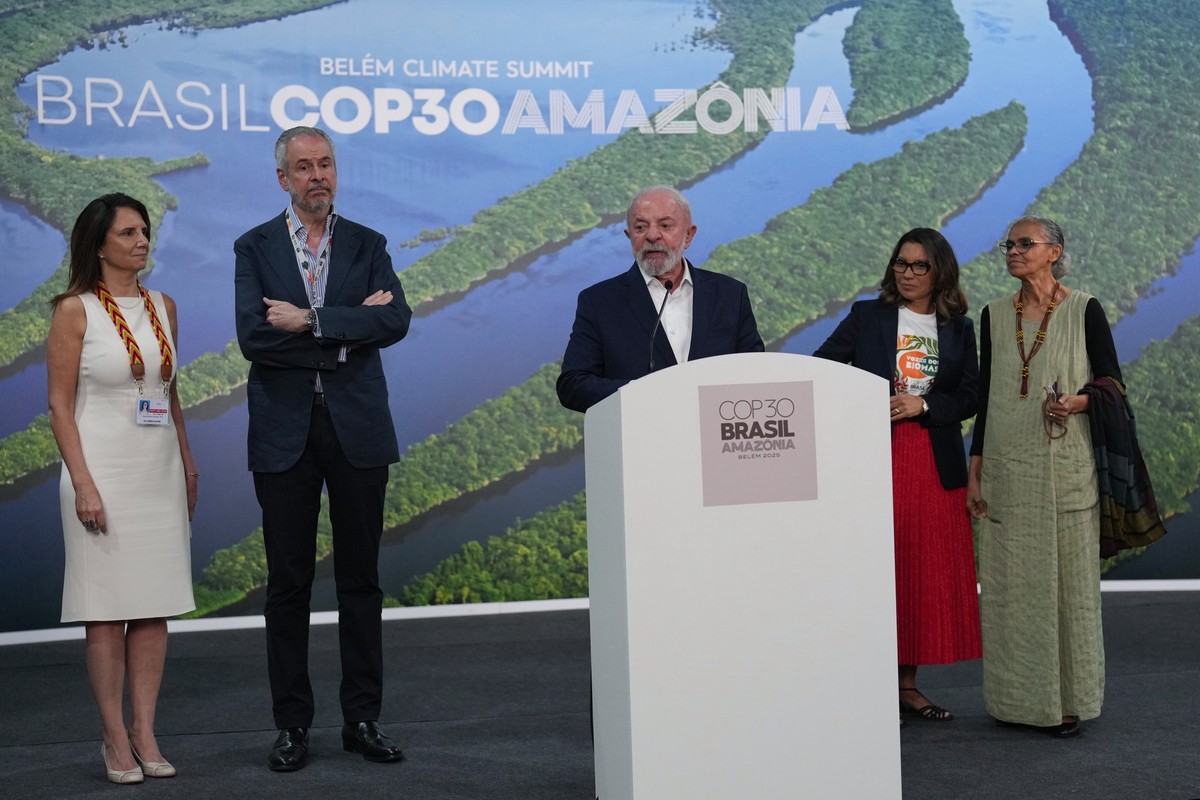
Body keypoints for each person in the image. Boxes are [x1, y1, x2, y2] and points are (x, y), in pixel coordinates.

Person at [234, 126, 412, 770]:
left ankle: (362, 719)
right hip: (284, 435)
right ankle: (292, 726)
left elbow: (395, 320)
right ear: (283, 177)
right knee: (289, 584)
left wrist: (310, 320)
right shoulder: (253, 246)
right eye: (304, 166)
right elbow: (255, 337)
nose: (318, 176)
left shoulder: (368, 243)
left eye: (326, 164)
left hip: (358, 430)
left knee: (361, 581)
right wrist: (348, 326)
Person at [47, 193, 198, 784]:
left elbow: (169, 391)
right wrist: (82, 483)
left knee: (154, 607)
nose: (143, 242)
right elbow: (59, 407)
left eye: (146, 231)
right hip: (101, 475)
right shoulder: (74, 310)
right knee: (107, 614)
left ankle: (145, 731)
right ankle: (113, 738)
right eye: (130, 233)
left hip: (156, 471)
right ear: (100, 242)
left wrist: (186, 461)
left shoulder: (165, 305)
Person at [814, 228, 981, 723]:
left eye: (918, 266)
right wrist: (868, 404)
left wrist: (924, 403)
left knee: (916, 571)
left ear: (940, 273)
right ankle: (854, 680)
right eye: (900, 264)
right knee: (868, 566)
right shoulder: (869, 317)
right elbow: (824, 368)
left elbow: (971, 395)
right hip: (871, 457)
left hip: (932, 461)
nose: (906, 274)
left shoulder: (959, 328)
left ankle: (907, 686)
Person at [967, 216, 1121, 737]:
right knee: (1011, 593)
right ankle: (1016, 702)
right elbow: (987, 399)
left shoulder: (1084, 309)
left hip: (1064, 473)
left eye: (1024, 244)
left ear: (1054, 251)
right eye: (1007, 243)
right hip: (1008, 473)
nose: (1012, 251)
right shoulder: (991, 315)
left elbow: (1113, 386)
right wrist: (975, 472)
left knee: (1068, 592)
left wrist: (1076, 402)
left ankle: (1068, 703)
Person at [556, 185, 764, 412]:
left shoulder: (729, 295)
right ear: (629, 236)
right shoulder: (599, 302)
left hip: (719, 438)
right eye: (640, 227)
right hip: (642, 439)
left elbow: (757, 374)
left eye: (665, 226)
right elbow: (573, 385)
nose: (652, 235)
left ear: (688, 235)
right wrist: (643, 392)